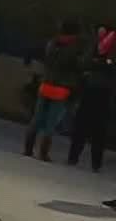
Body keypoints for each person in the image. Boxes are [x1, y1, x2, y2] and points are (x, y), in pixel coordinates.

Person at [26, 20, 84, 162]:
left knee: (36, 119)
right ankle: (43, 153)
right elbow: (78, 66)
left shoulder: (52, 44)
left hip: (45, 86)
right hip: (60, 90)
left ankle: (28, 149)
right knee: (51, 123)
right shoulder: (74, 48)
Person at [70, 24, 113, 171]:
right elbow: (84, 62)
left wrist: (98, 64)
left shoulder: (110, 47)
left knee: (96, 130)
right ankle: (75, 158)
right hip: (93, 89)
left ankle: (93, 162)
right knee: (85, 127)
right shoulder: (94, 45)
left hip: (102, 90)